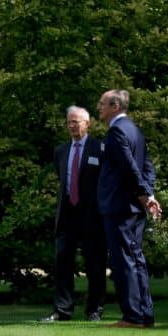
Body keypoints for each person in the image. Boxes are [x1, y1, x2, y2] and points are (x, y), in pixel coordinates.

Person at [96, 88, 161, 328]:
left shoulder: (116, 132)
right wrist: (148, 194)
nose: (98, 107)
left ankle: (133, 316)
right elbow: (148, 167)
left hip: (119, 206)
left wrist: (145, 194)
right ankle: (145, 314)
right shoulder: (136, 131)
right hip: (132, 208)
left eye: (103, 103)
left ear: (115, 107)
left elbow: (130, 168)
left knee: (124, 262)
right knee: (137, 260)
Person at [44, 105, 107, 322]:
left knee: (95, 264)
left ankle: (95, 309)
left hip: (91, 217)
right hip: (67, 215)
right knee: (62, 262)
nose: (72, 125)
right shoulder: (60, 151)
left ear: (87, 124)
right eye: (69, 121)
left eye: (76, 121)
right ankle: (62, 310)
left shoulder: (99, 148)